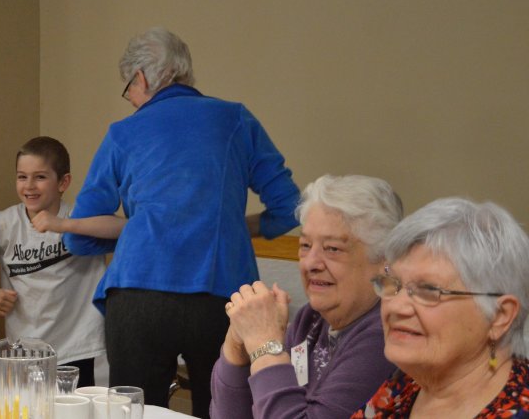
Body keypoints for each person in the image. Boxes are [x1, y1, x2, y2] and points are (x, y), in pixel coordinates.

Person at [62, 27, 301, 418]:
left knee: (133, 412)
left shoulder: (124, 132)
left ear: (140, 78)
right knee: (226, 407)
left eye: (129, 90)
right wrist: (239, 228)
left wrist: (135, 231)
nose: (132, 101)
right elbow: (290, 206)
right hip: (224, 295)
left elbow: (80, 234)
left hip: (138, 293)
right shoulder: (235, 118)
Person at [211, 174, 402, 418]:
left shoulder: (386, 334)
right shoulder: (310, 320)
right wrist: (237, 345)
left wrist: (263, 345)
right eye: (305, 245)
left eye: (332, 248)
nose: (310, 263)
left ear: (383, 260)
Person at [0, 137, 108, 386]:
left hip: (77, 348)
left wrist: (64, 225)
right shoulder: (5, 223)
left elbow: (124, 227)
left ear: (63, 182)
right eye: (21, 176)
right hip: (23, 350)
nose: (29, 186)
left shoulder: (77, 218)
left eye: (40, 177)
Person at [353, 197, 529, 418]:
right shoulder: (408, 383)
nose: (397, 307)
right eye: (392, 284)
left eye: (428, 290)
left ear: (499, 316)